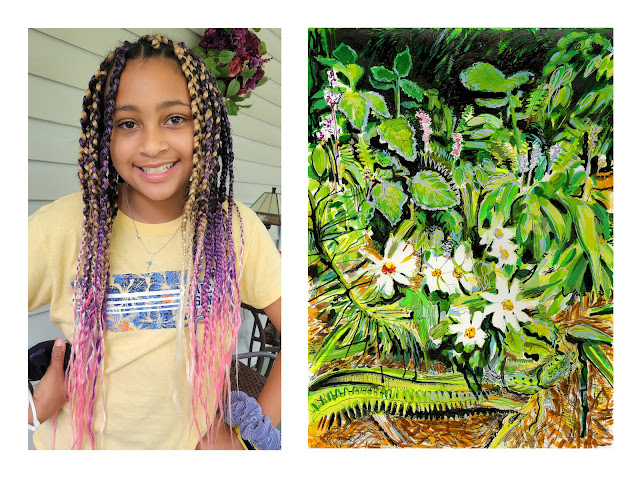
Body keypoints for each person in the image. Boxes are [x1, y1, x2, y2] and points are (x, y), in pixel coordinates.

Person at [27, 33, 281, 450]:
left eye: (175, 118)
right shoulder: (62, 227)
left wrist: (247, 440)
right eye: (128, 123)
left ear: (205, 125)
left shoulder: (236, 230)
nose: (152, 144)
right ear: (104, 137)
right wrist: (30, 406)